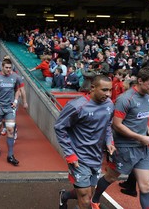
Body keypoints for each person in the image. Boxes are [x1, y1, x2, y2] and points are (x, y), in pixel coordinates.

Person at [91, 67, 149, 209]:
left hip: (142, 148)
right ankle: (94, 199)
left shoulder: (148, 96)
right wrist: (140, 137)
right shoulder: (125, 99)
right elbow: (117, 125)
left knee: (146, 186)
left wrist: (148, 131)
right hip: (125, 148)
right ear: (140, 81)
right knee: (111, 177)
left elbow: (140, 119)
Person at [55, 75, 115, 209]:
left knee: (89, 193)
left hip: (96, 157)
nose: (108, 94)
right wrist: (70, 154)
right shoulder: (76, 106)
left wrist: (109, 142)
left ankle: (64, 196)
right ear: (92, 88)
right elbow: (59, 127)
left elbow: (108, 125)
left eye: (110, 90)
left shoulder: (109, 105)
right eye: (104, 90)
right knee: (85, 199)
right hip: (79, 157)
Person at [0, 58, 24, 166]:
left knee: (10, 129)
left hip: (9, 108)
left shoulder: (15, 77)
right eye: (7, 68)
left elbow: (18, 90)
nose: (9, 70)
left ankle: (10, 155)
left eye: (10, 68)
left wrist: (16, 101)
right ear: (2, 67)